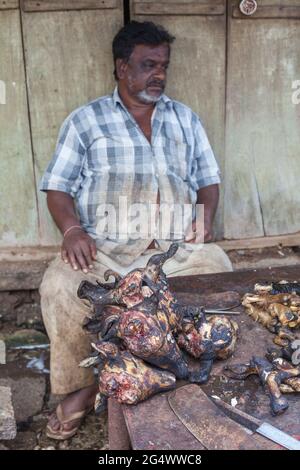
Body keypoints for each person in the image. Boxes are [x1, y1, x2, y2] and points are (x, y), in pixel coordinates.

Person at [39, 21, 232, 440]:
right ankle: (80, 387)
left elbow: (208, 178)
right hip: (106, 253)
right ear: (122, 67)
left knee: (219, 270)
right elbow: (57, 187)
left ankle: (194, 374)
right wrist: (72, 230)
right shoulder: (85, 122)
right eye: (148, 65)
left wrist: (206, 215)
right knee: (59, 286)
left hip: (175, 252)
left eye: (163, 65)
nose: (158, 74)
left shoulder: (185, 119)